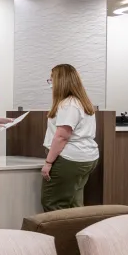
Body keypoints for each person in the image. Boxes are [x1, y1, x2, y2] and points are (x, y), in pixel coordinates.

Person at [41, 64, 100, 212]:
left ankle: (60, 229)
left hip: (69, 158)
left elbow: (62, 136)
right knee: (74, 203)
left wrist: (48, 162)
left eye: (52, 79)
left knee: (53, 203)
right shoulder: (82, 102)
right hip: (87, 156)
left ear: (61, 81)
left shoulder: (68, 105)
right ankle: (78, 228)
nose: (50, 83)